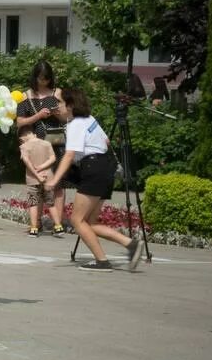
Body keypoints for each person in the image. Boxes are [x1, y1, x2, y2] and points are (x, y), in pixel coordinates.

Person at [45, 87, 143, 272]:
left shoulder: (74, 124)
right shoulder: (90, 120)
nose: (56, 106)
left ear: (71, 105)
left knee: (77, 220)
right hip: (106, 167)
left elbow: (69, 155)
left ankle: (102, 261)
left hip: (93, 168)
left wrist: (54, 180)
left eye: (59, 102)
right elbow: (106, 142)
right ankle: (130, 244)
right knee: (89, 223)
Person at [15, 59, 67, 237]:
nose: (43, 82)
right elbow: (19, 122)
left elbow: (66, 117)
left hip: (57, 144)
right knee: (36, 185)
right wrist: (37, 116)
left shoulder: (57, 93)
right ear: (35, 77)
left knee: (57, 185)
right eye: (40, 78)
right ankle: (35, 223)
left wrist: (57, 113)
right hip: (37, 147)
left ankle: (57, 224)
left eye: (46, 78)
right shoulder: (26, 95)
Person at [19, 125, 61, 237]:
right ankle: (58, 227)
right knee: (51, 203)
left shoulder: (24, 146)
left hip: (33, 179)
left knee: (33, 204)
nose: (21, 140)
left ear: (25, 135)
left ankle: (34, 229)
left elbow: (27, 162)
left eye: (21, 138)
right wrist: (42, 167)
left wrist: (37, 173)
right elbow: (53, 158)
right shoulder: (47, 143)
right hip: (48, 178)